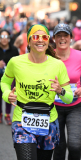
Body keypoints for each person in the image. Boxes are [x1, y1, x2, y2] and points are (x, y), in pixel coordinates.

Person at [0, 24, 73, 160]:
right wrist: (6, 94)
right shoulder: (16, 62)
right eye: (35, 36)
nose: (40, 40)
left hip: (49, 121)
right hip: (22, 120)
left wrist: (60, 90)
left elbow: (68, 98)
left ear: (48, 40)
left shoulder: (57, 65)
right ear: (29, 41)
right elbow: (4, 82)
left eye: (44, 37)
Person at [52, 23, 81, 160]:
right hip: (54, 107)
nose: (62, 39)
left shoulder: (80, 56)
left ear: (71, 38)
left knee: (74, 145)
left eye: (65, 35)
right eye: (59, 36)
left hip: (76, 106)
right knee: (58, 146)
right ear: (54, 39)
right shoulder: (48, 57)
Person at [0, 29, 19, 125]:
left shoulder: (14, 49)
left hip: (10, 77)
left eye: (6, 37)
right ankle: (0, 114)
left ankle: (7, 115)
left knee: (9, 94)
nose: (4, 39)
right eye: (2, 37)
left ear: (9, 38)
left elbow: (17, 64)